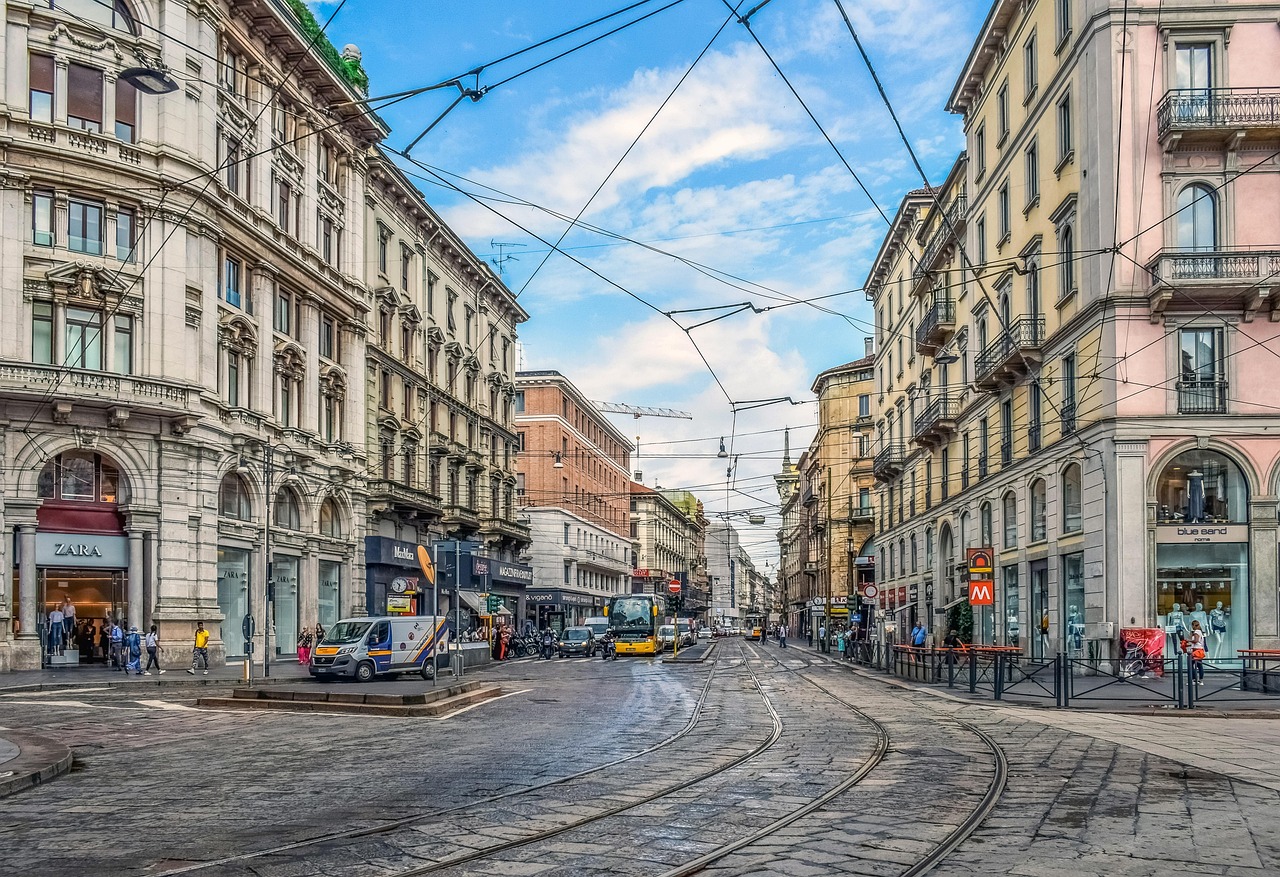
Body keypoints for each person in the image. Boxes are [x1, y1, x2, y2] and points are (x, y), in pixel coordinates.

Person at [1186, 619, 1207, 686]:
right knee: (1199, 665)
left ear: (1193, 625)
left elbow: (1196, 640)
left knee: (1191, 664)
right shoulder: (1200, 632)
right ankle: (1201, 680)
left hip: (1196, 650)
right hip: (1200, 649)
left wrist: (1188, 640)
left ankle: (1194, 679)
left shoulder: (1196, 632)